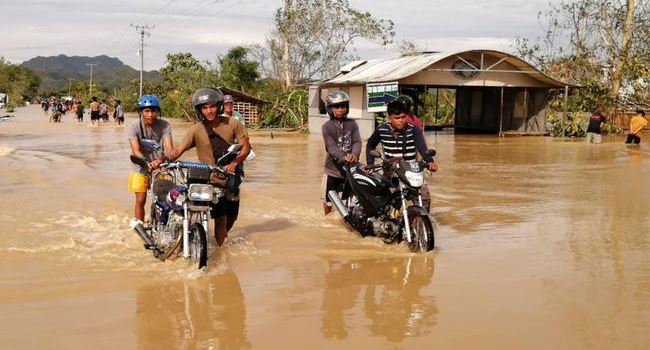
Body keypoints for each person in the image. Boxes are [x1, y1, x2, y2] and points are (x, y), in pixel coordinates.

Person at [167, 87, 251, 246]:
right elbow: (178, 150)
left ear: (218, 106)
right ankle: (219, 249)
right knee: (220, 218)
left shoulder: (234, 124)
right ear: (199, 110)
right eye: (204, 107)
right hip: (211, 180)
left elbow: (246, 147)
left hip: (232, 176)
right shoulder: (196, 130)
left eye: (212, 106)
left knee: (232, 216)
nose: (209, 111)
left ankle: (222, 238)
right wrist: (163, 159)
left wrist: (235, 163)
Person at [366, 100, 437, 211]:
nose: (401, 121)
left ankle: (422, 222)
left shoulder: (414, 130)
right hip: (391, 171)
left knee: (424, 199)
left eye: (403, 117)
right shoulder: (381, 130)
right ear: (390, 118)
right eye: (397, 118)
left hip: (412, 170)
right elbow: (370, 145)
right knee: (387, 205)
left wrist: (430, 161)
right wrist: (370, 164)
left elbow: (422, 148)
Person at [127, 94, 174, 226]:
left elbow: (170, 149)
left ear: (158, 112)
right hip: (140, 165)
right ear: (141, 112)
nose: (151, 114)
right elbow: (135, 150)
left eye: (154, 110)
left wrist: (161, 160)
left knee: (164, 198)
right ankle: (140, 227)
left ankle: (163, 226)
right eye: (147, 111)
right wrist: (147, 163)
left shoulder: (165, 126)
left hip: (161, 165)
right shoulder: (134, 127)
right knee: (141, 199)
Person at [321, 91, 362, 215]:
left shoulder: (352, 123)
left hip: (351, 169)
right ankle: (327, 221)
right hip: (332, 171)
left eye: (343, 106)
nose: (340, 109)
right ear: (330, 109)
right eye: (337, 107)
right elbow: (331, 147)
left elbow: (357, 142)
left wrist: (354, 155)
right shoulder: (326, 127)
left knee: (354, 199)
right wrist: (344, 157)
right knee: (328, 201)